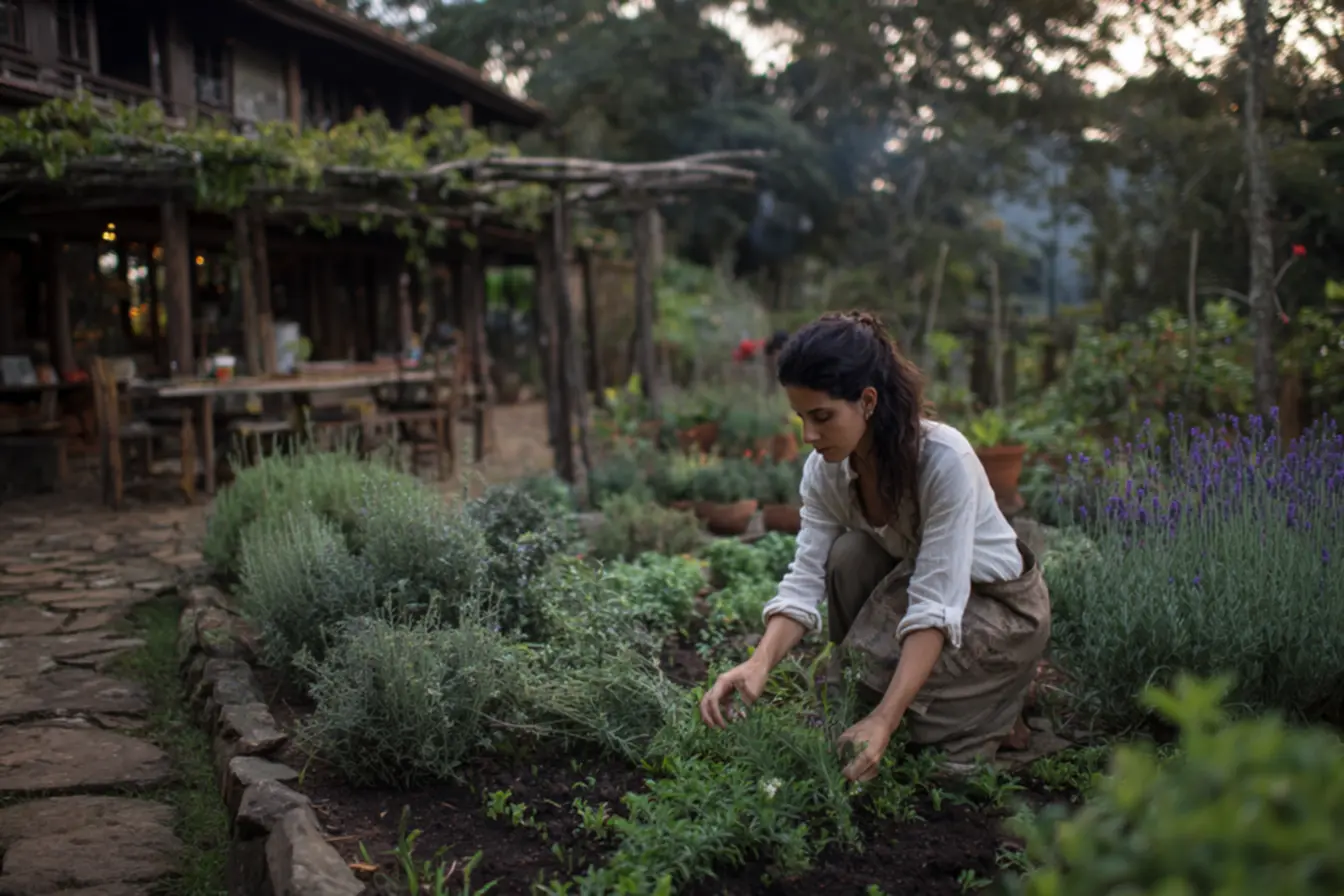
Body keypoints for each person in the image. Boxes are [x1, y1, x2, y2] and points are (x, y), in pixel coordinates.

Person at [698, 311, 1050, 781]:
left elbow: (936, 603)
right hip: (912, 588)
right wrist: (758, 663)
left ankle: (1001, 696)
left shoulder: (943, 460)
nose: (809, 436)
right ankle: (889, 694)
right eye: (801, 418)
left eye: (822, 417)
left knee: (931, 753)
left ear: (867, 401)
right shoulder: (825, 471)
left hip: (996, 606)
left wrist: (885, 719)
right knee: (850, 557)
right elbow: (805, 579)